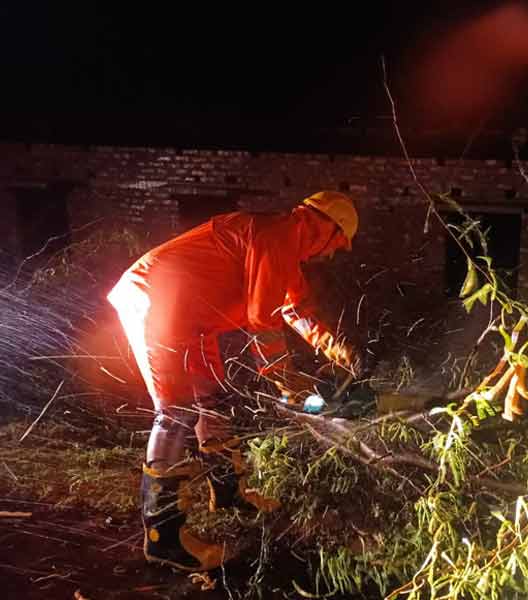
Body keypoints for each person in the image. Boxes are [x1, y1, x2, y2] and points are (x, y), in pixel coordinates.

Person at [107, 191, 358, 571]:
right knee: (175, 414)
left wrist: (337, 347)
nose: (331, 254)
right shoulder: (277, 235)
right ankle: (163, 536)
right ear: (325, 225)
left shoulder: (282, 245)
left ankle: (227, 493)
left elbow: (295, 308)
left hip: (193, 321)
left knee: (214, 402)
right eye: (337, 243)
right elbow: (262, 320)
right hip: (156, 303)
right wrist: (284, 379)